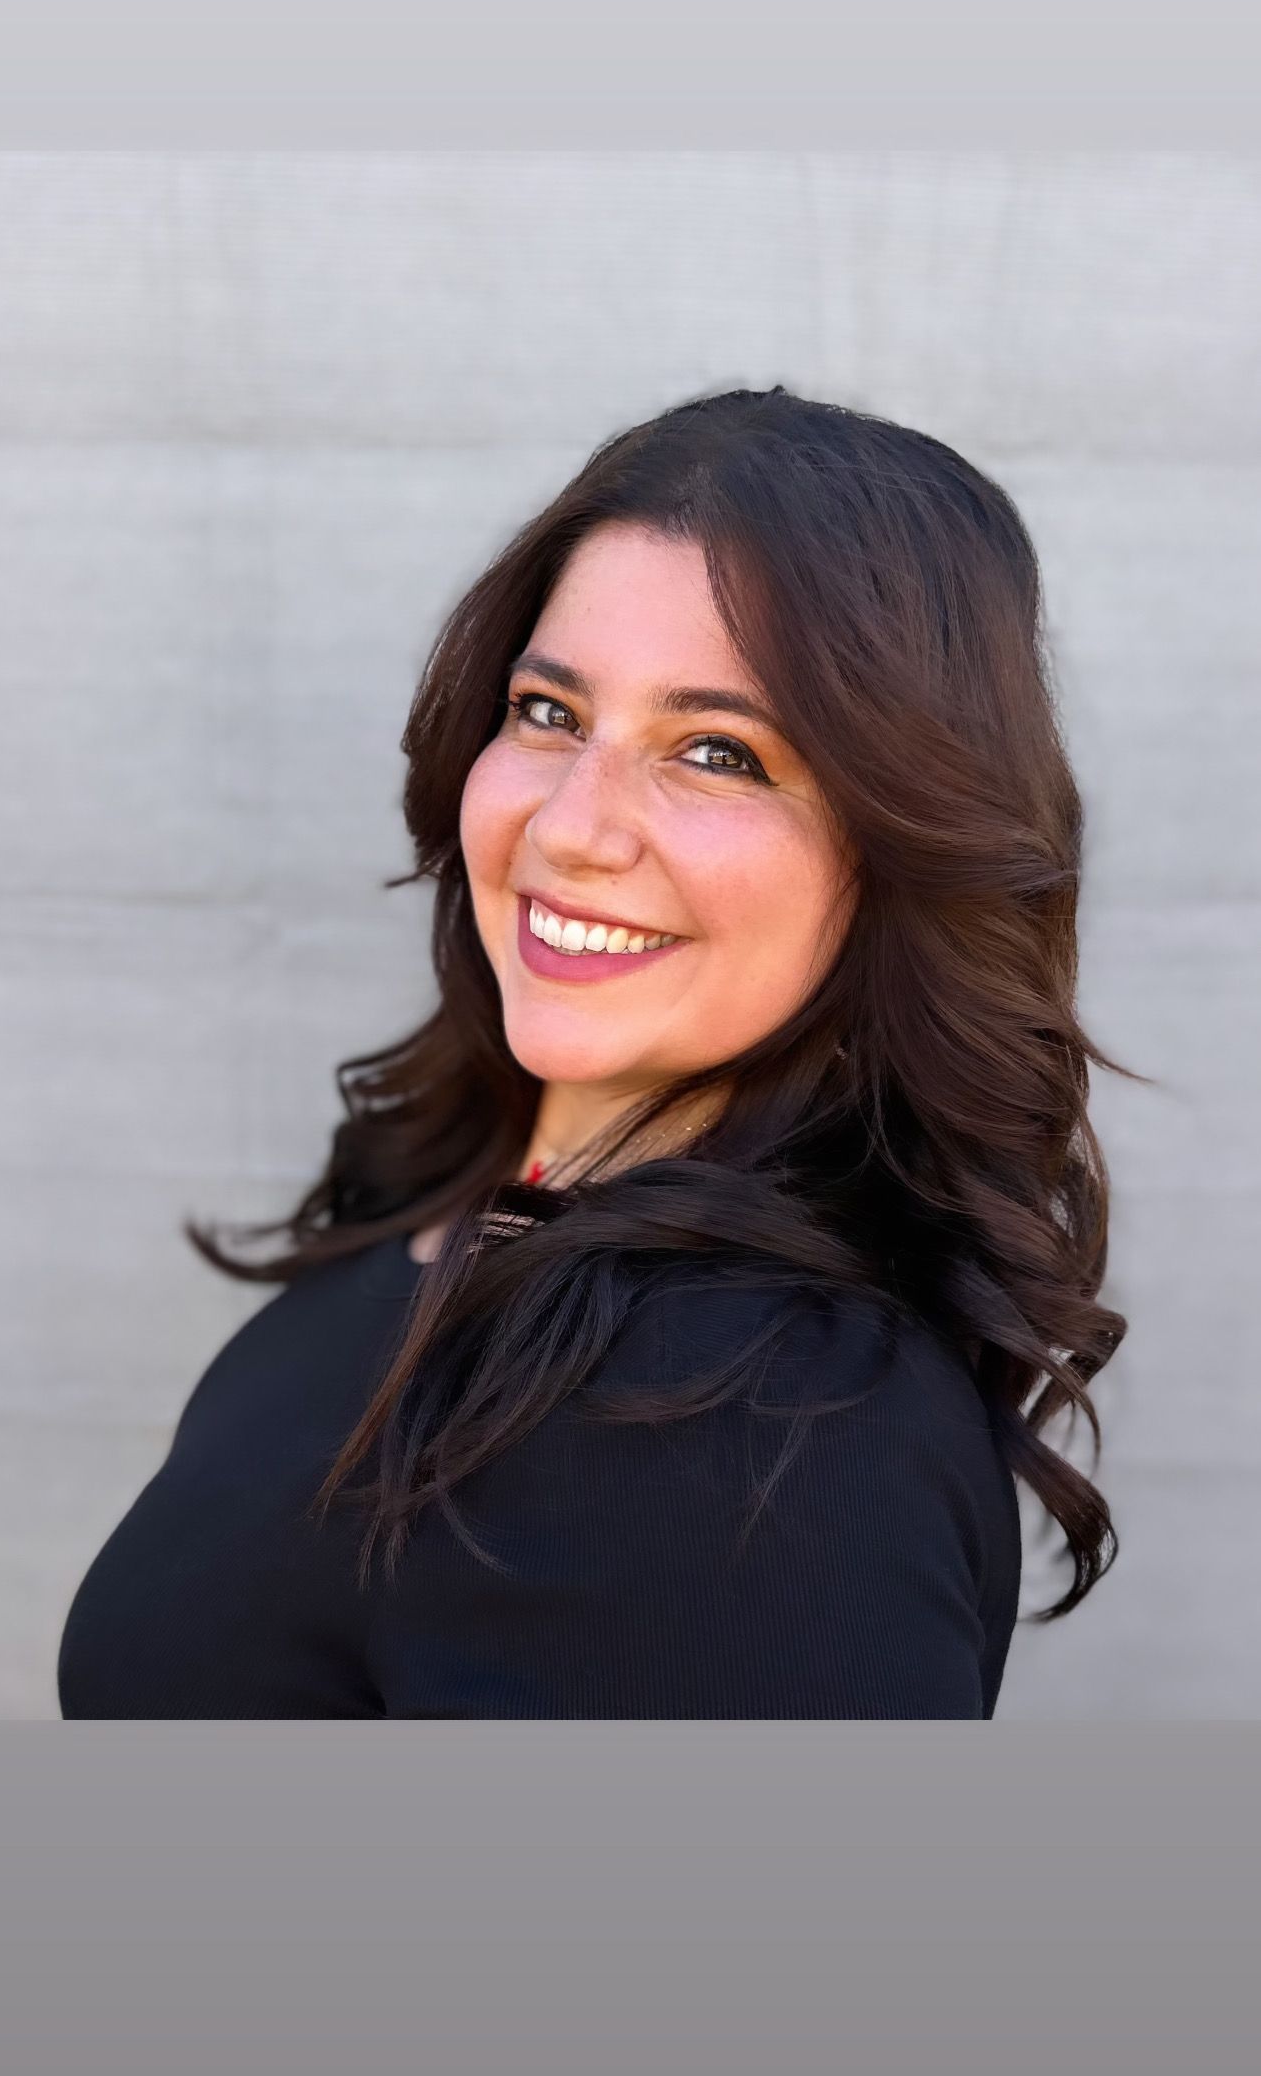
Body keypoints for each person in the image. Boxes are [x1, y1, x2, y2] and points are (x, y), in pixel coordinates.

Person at [58, 386, 1125, 1720]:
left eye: (718, 752)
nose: (572, 826)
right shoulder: (446, 1223)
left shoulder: (759, 1427)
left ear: (899, 848)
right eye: (550, 713)